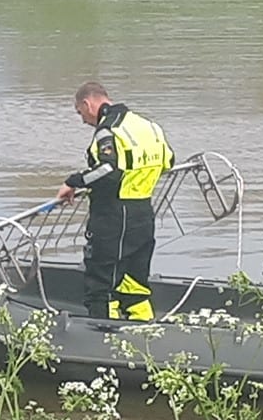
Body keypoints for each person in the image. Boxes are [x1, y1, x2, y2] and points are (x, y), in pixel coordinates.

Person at [57, 82, 175, 320]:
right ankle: (143, 334)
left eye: (81, 113)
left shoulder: (107, 130)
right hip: (143, 213)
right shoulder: (149, 126)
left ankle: (102, 338)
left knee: (101, 285)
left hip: (112, 216)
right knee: (135, 284)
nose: (83, 121)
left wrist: (73, 182)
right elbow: (168, 162)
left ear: (87, 104)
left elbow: (108, 170)